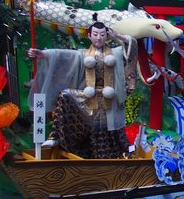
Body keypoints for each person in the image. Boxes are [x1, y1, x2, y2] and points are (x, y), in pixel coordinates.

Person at [28, 15, 138, 159]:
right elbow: (63, 56)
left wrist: (118, 36)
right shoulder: (83, 55)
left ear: (107, 36)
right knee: (66, 95)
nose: (99, 38)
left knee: (108, 134)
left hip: (109, 98)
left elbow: (131, 46)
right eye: (95, 34)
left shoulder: (115, 53)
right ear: (89, 36)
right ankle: (56, 135)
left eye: (102, 34)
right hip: (87, 97)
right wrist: (43, 54)